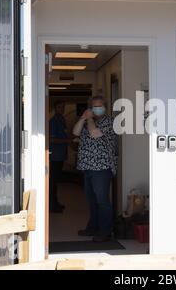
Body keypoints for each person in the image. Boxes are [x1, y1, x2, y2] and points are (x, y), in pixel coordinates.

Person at [73, 96, 117, 243]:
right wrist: (82, 118)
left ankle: (105, 232)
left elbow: (95, 134)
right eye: (94, 106)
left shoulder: (109, 121)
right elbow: (75, 132)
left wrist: (90, 119)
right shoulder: (87, 122)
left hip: (102, 168)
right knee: (91, 200)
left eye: (100, 106)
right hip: (88, 168)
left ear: (105, 107)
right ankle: (93, 227)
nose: (97, 109)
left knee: (102, 200)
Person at [49, 101, 70, 213]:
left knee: (56, 181)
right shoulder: (53, 122)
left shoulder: (62, 120)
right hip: (55, 156)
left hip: (61, 155)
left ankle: (55, 202)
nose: (62, 109)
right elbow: (51, 139)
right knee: (52, 181)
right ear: (55, 108)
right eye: (59, 107)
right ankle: (52, 204)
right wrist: (66, 140)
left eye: (63, 107)